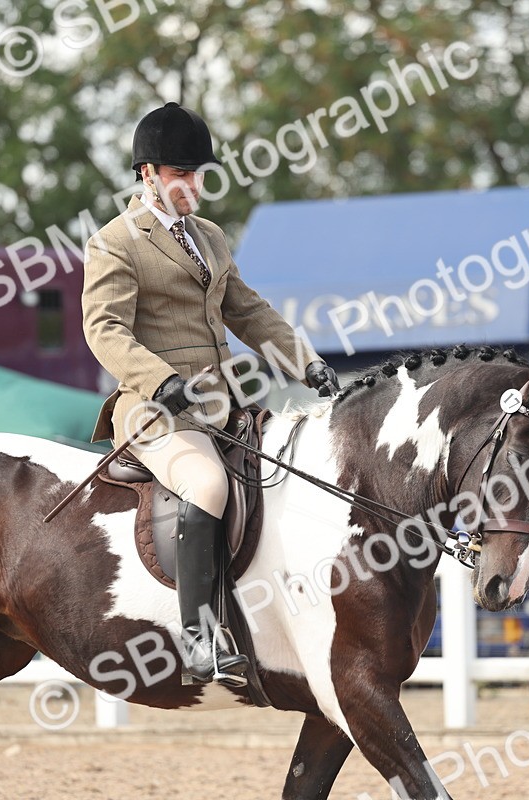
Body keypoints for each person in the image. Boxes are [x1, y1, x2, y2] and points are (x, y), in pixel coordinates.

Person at [82, 102, 340, 686]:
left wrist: (309, 364)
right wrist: (159, 381)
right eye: (181, 175)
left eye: (198, 174)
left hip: (222, 407)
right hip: (154, 411)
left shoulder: (211, 238)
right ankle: (199, 634)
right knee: (207, 483)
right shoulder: (116, 243)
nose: (193, 186)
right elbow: (104, 329)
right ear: (148, 173)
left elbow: (246, 310)